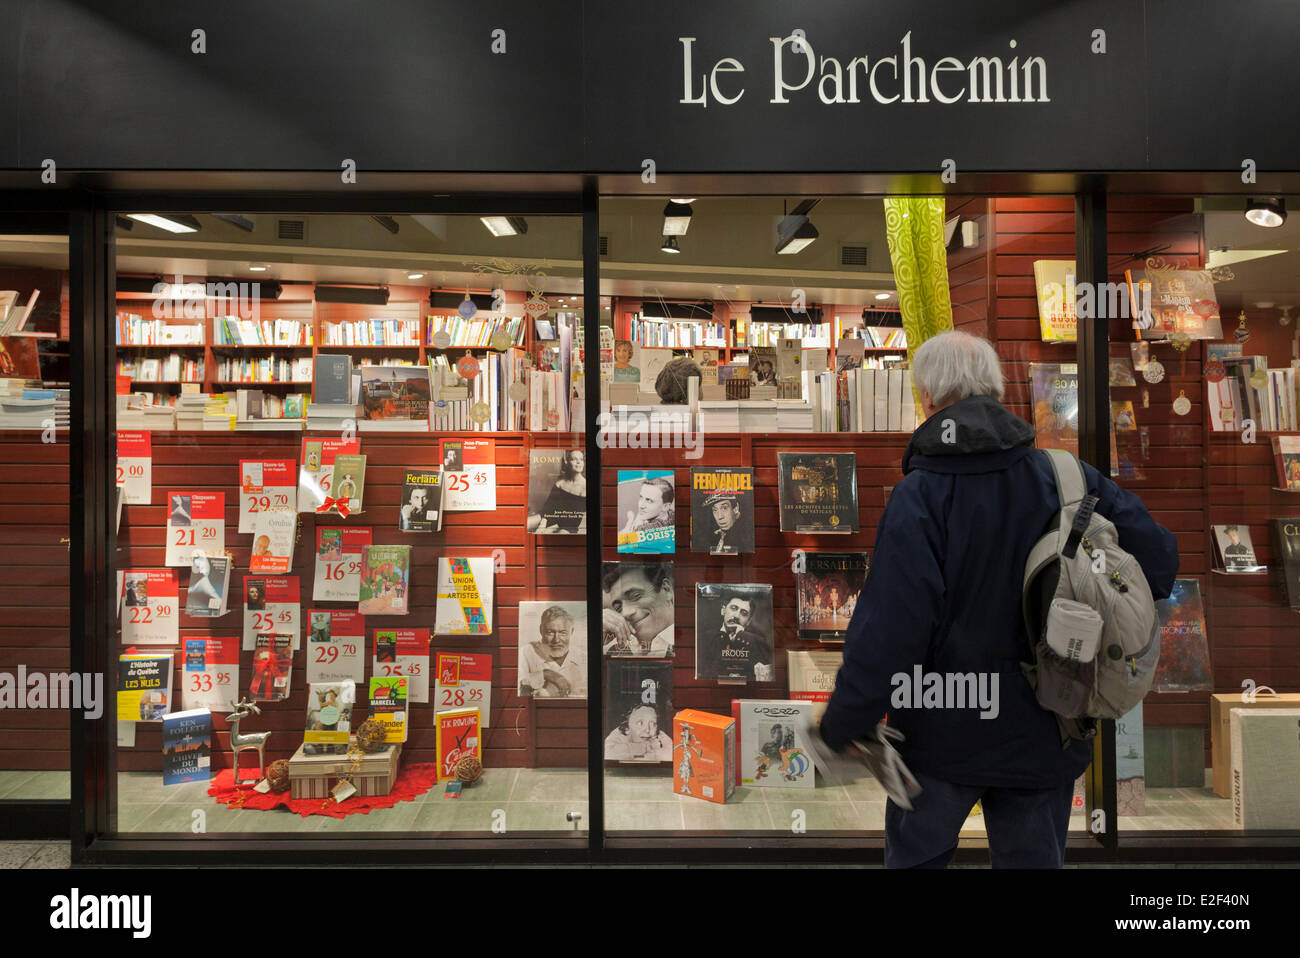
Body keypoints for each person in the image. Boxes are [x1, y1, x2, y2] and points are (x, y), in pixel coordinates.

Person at [817, 330, 1179, 869]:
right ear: (993, 389)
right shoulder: (1066, 476)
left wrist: (845, 721)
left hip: (938, 734)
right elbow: (1160, 559)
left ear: (928, 399)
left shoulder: (920, 496)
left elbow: (891, 630)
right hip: (1047, 726)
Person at [601, 562, 674, 655]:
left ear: (667, 590)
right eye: (619, 608)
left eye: (635, 596)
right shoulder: (617, 652)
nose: (625, 613)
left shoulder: (694, 638)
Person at [703, 592, 772, 681]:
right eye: (733, 608)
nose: (736, 616)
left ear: (749, 621)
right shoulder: (705, 637)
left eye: (744, 613)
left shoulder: (758, 642)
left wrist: (741, 636)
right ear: (723, 610)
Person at [518, 606, 586, 697]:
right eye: (550, 632)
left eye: (563, 633)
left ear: (572, 632)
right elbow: (516, 688)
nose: (556, 640)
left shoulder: (584, 657)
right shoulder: (525, 653)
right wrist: (546, 674)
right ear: (541, 630)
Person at [529, 450, 586, 533]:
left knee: (559, 536)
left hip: (569, 524)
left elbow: (576, 520)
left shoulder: (585, 486)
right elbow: (548, 507)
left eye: (581, 459)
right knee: (527, 522)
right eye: (574, 459)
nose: (579, 462)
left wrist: (553, 528)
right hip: (551, 516)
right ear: (567, 462)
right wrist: (542, 525)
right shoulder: (560, 483)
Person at [604, 702, 672, 761]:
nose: (647, 730)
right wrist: (647, 747)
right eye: (640, 723)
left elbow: (670, 755)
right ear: (627, 728)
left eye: (653, 723)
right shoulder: (618, 735)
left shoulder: (660, 736)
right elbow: (608, 755)